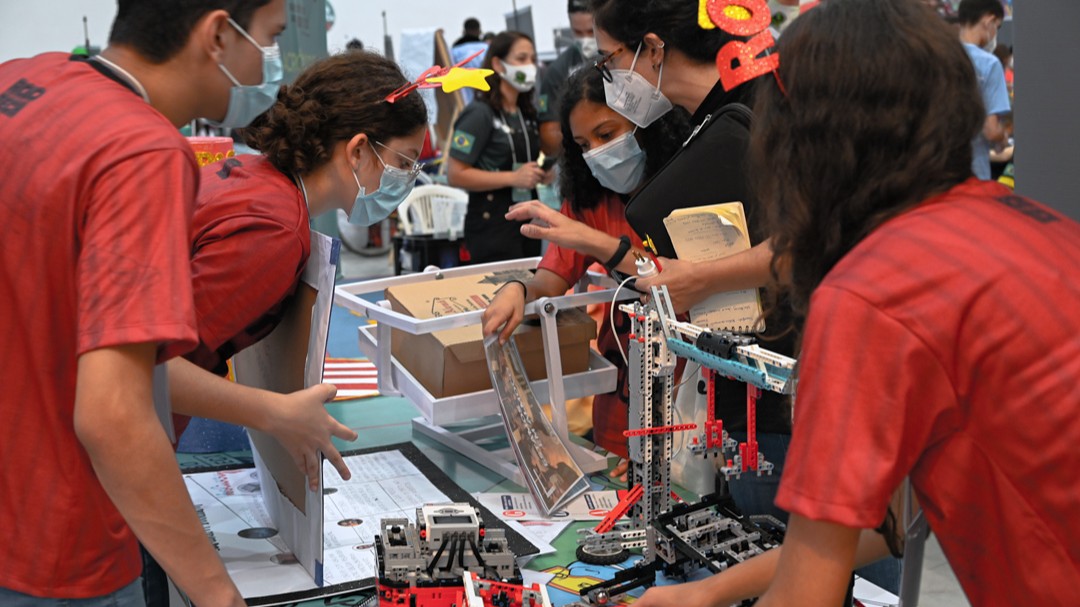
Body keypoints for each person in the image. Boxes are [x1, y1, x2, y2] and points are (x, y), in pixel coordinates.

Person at [632, 1, 1080, 606]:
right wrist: (710, 592)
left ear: (803, 138)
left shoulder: (872, 292)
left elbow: (806, 595)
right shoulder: (1041, 226)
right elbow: (888, 521)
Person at [590, 0, 901, 590]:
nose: (612, 81)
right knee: (760, 551)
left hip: (802, 395)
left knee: (847, 579)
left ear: (653, 48)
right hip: (743, 389)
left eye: (611, 61)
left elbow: (819, 240)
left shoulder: (768, 105)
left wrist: (700, 278)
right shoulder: (698, 123)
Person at [0, 0, 287, 605]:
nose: (269, 63)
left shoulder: (23, 81)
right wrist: (217, 593)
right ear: (217, 34)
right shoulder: (143, 151)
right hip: (57, 541)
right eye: (271, 36)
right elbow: (112, 414)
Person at [175, 50, 427, 486]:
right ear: (359, 150)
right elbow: (145, 369)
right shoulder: (276, 231)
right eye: (403, 163)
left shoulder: (255, 177)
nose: (406, 179)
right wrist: (276, 414)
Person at [481, 66, 689, 474]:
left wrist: (591, 240)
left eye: (607, 134)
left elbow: (674, 279)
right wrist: (517, 290)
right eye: (582, 143)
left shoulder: (687, 187)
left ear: (644, 122)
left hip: (688, 397)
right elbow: (549, 279)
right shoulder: (589, 203)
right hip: (622, 400)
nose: (596, 151)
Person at [448, 31, 550, 264]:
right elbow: (455, 174)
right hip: (492, 223)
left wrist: (542, 172)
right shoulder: (479, 113)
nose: (530, 66)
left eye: (532, 59)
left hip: (528, 220)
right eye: (521, 58)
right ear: (498, 64)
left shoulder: (526, 113)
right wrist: (513, 178)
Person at [956, 0, 1010, 180]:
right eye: (997, 26)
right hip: (973, 170)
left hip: (937, 171)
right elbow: (991, 130)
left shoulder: (939, 56)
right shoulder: (989, 64)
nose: (995, 33)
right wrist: (1002, 138)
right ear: (989, 21)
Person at [537, 0, 599, 157]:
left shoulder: (625, 55)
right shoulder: (558, 71)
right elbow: (549, 136)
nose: (585, 39)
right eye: (578, 32)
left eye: (591, 31)